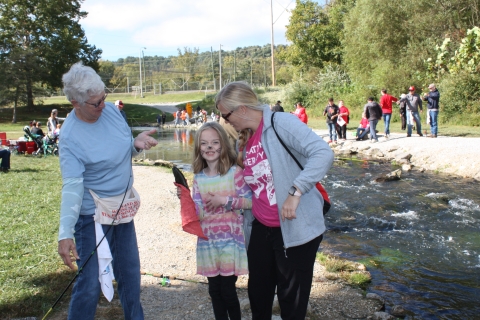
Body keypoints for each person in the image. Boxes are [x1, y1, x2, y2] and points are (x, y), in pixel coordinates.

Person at [215, 81, 334, 320]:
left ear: (242, 109)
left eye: (225, 115)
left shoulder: (282, 123)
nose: (224, 121)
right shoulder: (246, 136)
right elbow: (256, 182)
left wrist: (296, 191)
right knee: (258, 296)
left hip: (294, 228)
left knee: (292, 301)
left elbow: (323, 153)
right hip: (261, 227)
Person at [57, 62, 158, 320]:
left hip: (121, 209)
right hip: (91, 216)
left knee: (130, 276)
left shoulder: (111, 111)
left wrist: (136, 144)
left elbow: (123, 148)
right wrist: (65, 232)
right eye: (95, 103)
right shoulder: (70, 136)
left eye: (104, 98)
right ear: (74, 103)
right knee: (89, 285)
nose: (103, 105)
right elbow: (72, 185)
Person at [177, 121, 251, 320]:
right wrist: (185, 199)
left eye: (215, 142)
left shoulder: (235, 173)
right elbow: (200, 213)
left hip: (230, 241)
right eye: (204, 143)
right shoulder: (199, 178)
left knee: (227, 291)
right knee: (214, 292)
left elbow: (251, 202)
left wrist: (225, 201)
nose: (209, 147)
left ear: (223, 145)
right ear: (198, 148)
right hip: (208, 242)